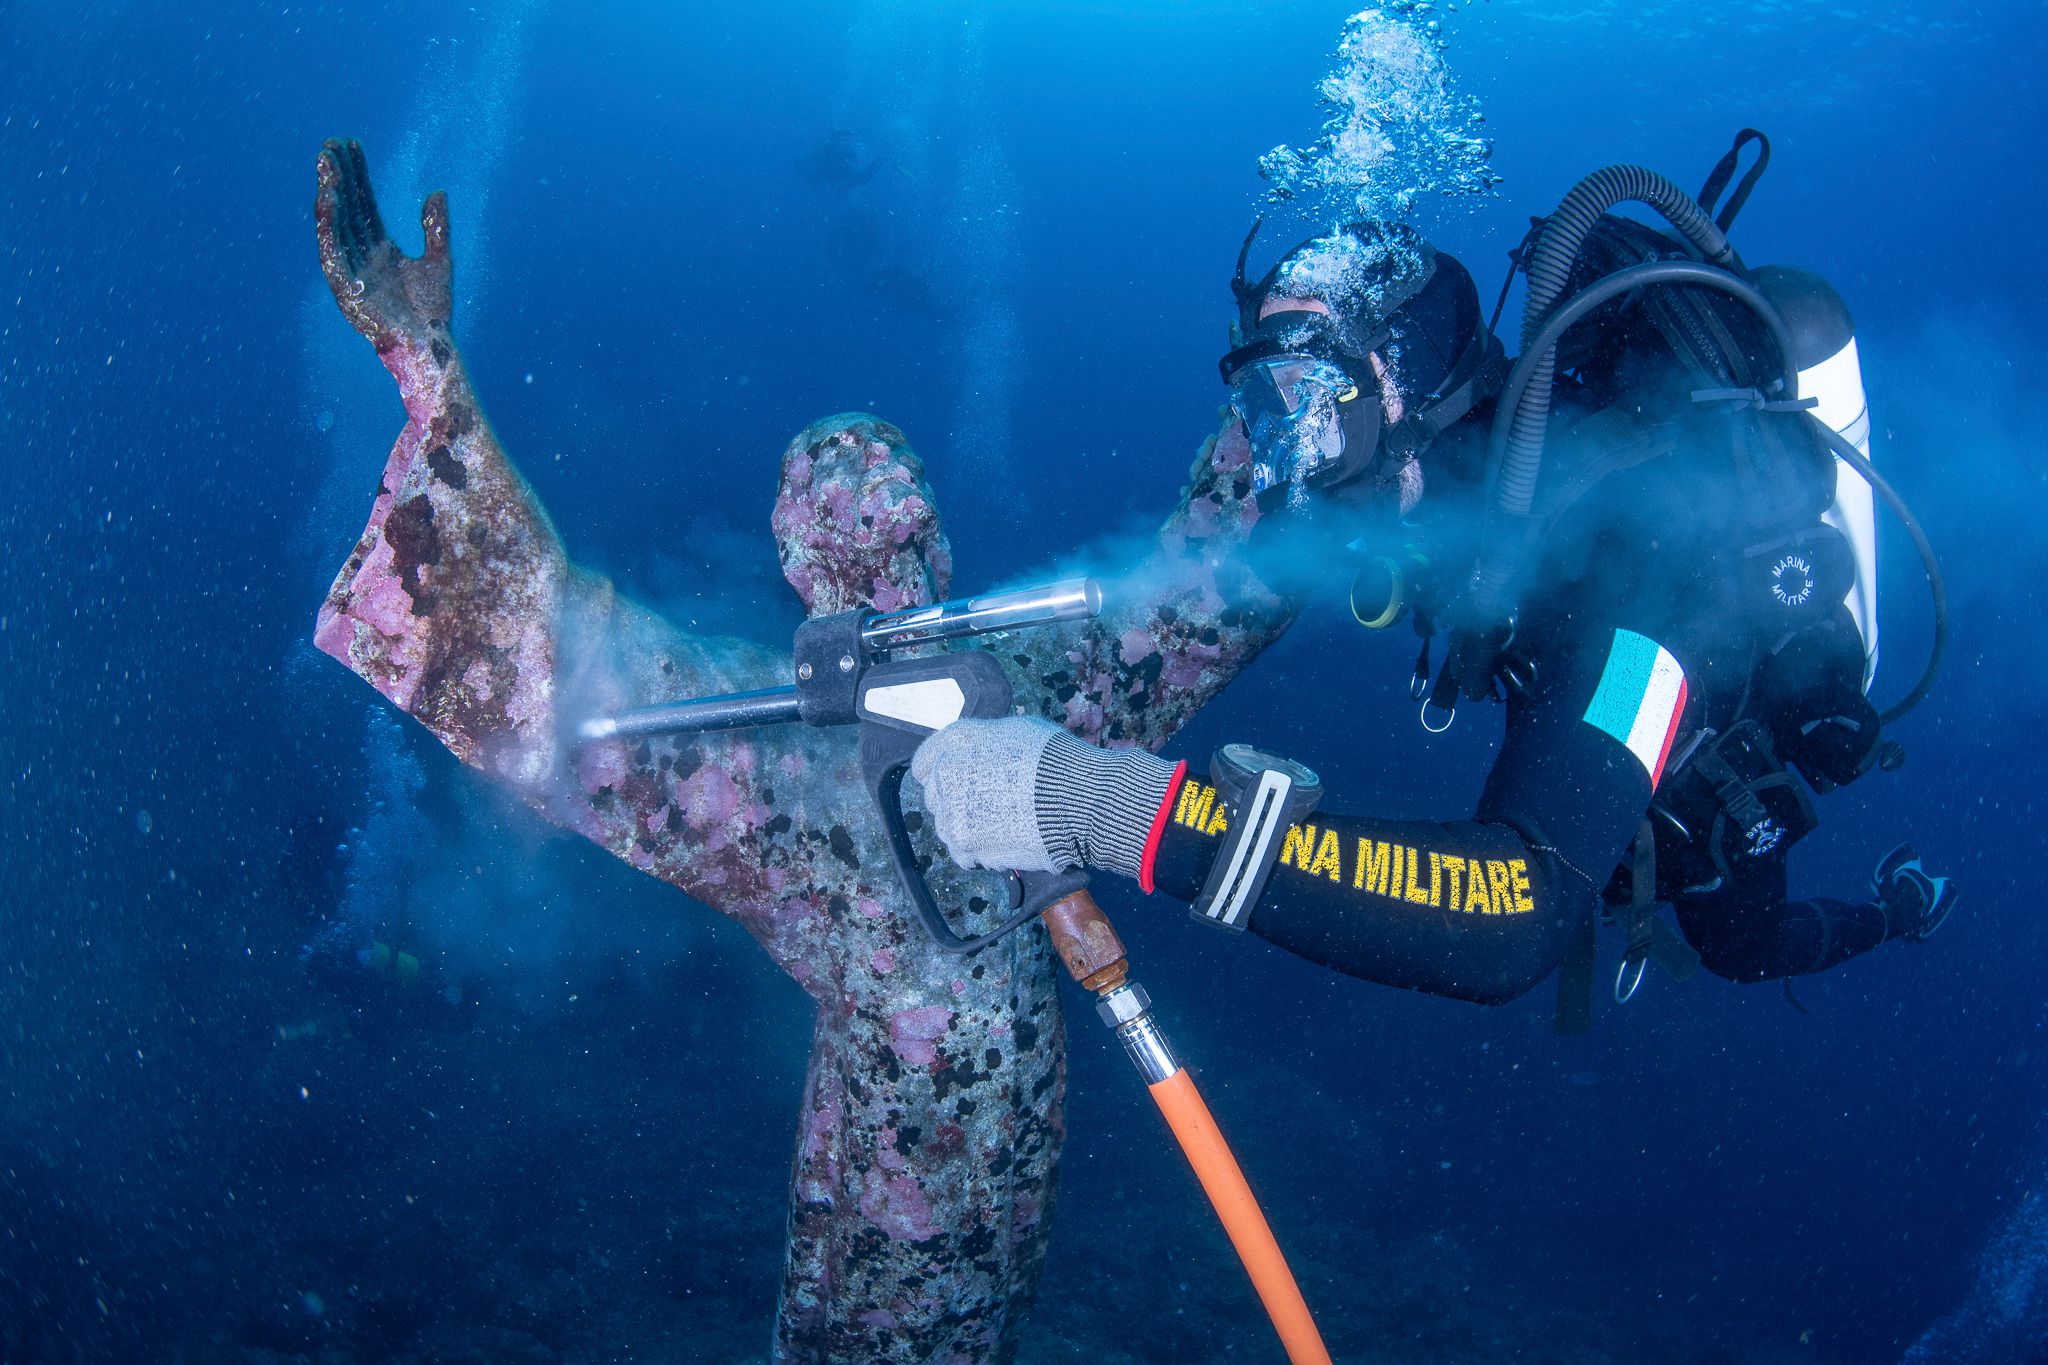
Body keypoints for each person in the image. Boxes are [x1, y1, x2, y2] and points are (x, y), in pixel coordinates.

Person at [309, 139, 1296, 1362]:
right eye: (854, 507)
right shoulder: (811, 732)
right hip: (908, 1191)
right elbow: (1215, 579)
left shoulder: (971, 690)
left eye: (888, 497)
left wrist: (1290, 398)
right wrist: (422, 365)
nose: (880, 524)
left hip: (973, 1173)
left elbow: (1207, 592)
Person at [912, 149, 1957, 1018]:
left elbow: (1513, 917)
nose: (1280, 458)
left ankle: (1902, 906)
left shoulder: (1637, 572)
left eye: (1314, 405)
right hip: (1573, 677)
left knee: (1738, 940)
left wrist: (1097, 802)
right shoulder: (1446, 495)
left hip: (1698, 744)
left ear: (1410, 388)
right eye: (1266, 409)